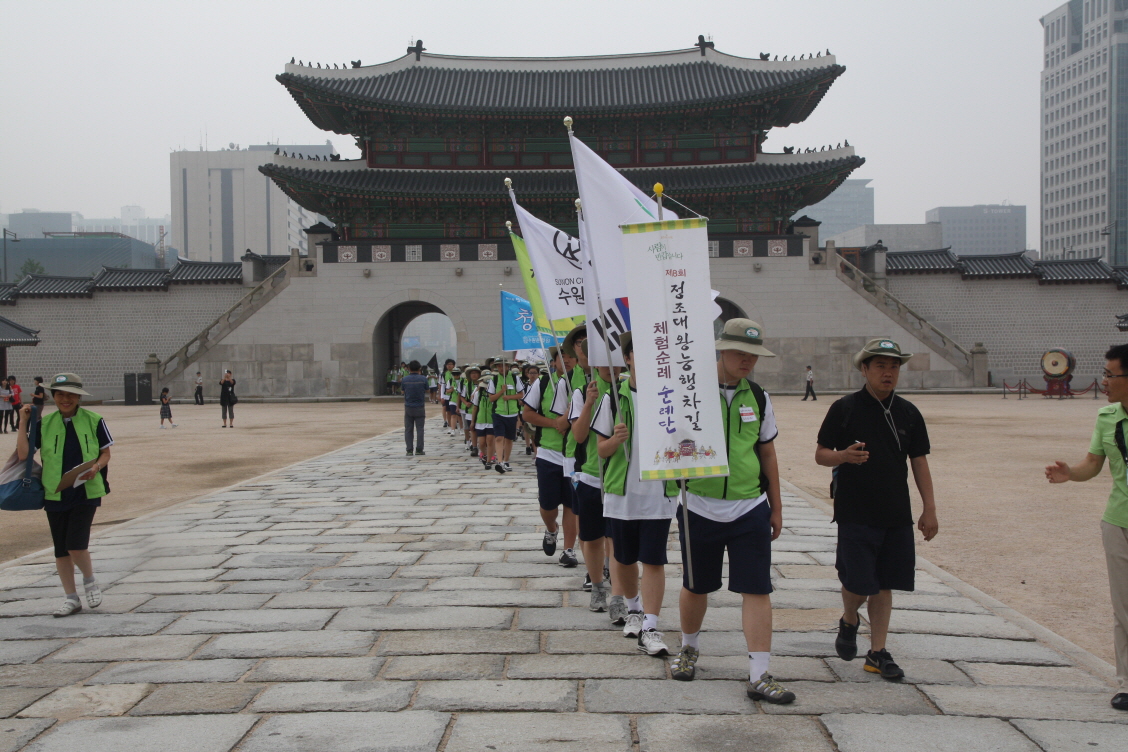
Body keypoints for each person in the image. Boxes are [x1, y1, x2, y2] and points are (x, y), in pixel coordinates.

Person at [667, 318, 794, 704]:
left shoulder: (758, 397)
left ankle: (759, 673)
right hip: (699, 505)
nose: (747, 361)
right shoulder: (690, 393)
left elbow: (767, 451)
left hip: (748, 506)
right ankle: (688, 648)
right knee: (696, 584)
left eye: (753, 354)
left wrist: (776, 505)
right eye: (740, 352)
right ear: (720, 350)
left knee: (757, 588)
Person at [815, 338, 937, 682]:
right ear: (864, 369)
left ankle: (877, 652)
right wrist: (843, 456)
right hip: (855, 511)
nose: (888, 372)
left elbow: (919, 462)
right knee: (857, 582)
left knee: (884, 584)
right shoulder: (846, 408)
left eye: (894, 366)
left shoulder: (909, 413)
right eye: (881, 366)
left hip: (895, 512)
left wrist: (929, 509)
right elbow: (821, 453)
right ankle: (850, 618)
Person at [1045, 343, 1128, 711]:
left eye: (1112, 375)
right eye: (1106, 374)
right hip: (1118, 521)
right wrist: (1070, 474)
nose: (1106, 381)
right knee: (1123, 607)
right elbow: (1093, 464)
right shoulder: (1107, 417)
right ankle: (1127, 680)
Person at [593, 333, 674, 657]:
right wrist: (616, 440)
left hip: (659, 493)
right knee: (623, 559)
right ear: (627, 358)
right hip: (623, 492)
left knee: (654, 559)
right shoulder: (613, 398)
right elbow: (600, 449)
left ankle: (651, 626)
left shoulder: (669, 396)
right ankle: (634, 608)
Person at [17, 373, 113, 617]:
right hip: (55, 493)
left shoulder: (94, 420)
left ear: (78, 397)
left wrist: (96, 468)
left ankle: (89, 580)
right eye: (60, 394)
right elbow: (23, 456)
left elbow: (105, 454)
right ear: (53, 396)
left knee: (75, 545)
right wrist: (23, 423)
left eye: (70, 394)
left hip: (86, 489)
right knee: (61, 549)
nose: (65, 399)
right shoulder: (46, 424)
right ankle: (71, 598)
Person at [568, 336, 614, 612]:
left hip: (621, 479)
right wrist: (588, 402)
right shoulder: (584, 390)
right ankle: (597, 586)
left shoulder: (631, 389)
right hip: (591, 476)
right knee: (593, 537)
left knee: (618, 541)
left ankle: (620, 595)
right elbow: (579, 434)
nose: (611, 365)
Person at [522, 346, 579, 563]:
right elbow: (527, 413)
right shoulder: (543, 383)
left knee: (572, 504)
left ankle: (569, 550)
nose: (566, 361)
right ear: (553, 362)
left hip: (574, 455)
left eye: (569, 357)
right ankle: (551, 528)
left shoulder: (582, 383)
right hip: (548, 452)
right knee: (548, 504)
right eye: (560, 358)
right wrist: (554, 423)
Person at [490, 357, 524, 473]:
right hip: (499, 413)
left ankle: (506, 460)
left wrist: (509, 397)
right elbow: (491, 398)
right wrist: (501, 392)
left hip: (512, 413)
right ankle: (499, 461)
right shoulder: (493, 380)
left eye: (503, 365)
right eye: (499, 366)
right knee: (499, 437)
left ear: (507, 367)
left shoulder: (515, 378)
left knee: (509, 438)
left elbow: (521, 394)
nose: (501, 368)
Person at [401, 360, 428, 456]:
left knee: (408, 429)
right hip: (420, 406)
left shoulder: (405, 379)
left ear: (409, 368)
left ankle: (409, 450)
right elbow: (427, 390)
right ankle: (419, 450)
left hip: (408, 407)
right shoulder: (423, 379)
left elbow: (403, 392)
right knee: (420, 429)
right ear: (419, 368)